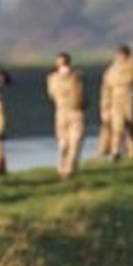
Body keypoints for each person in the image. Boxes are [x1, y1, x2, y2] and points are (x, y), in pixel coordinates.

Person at [100, 45, 133, 160]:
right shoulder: (111, 70)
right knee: (117, 127)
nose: (122, 57)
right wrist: (105, 108)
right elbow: (105, 90)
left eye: (124, 55)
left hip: (131, 100)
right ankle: (115, 152)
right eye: (120, 55)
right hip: (115, 101)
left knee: (132, 127)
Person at [45, 52, 85, 180]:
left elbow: (51, 95)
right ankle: (67, 169)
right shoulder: (75, 77)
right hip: (71, 112)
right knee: (71, 143)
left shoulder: (52, 78)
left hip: (64, 112)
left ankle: (64, 168)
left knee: (67, 143)